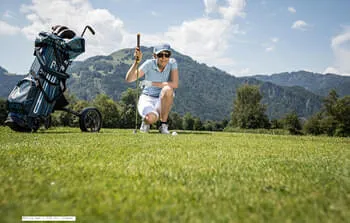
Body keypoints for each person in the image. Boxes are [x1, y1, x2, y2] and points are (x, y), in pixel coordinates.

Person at [125, 43, 179, 134]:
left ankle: (163, 125)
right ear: (154, 56)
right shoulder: (149, 64)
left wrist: (151, 83)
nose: (164, 58)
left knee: (168, 89)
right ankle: (145, 122)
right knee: (150, 118)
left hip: (161, 99)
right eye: (160, 55)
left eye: (167, 55)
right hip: (147, 98)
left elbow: (175, 84)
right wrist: (136, 62)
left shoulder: (172, 63)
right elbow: (129, 79)